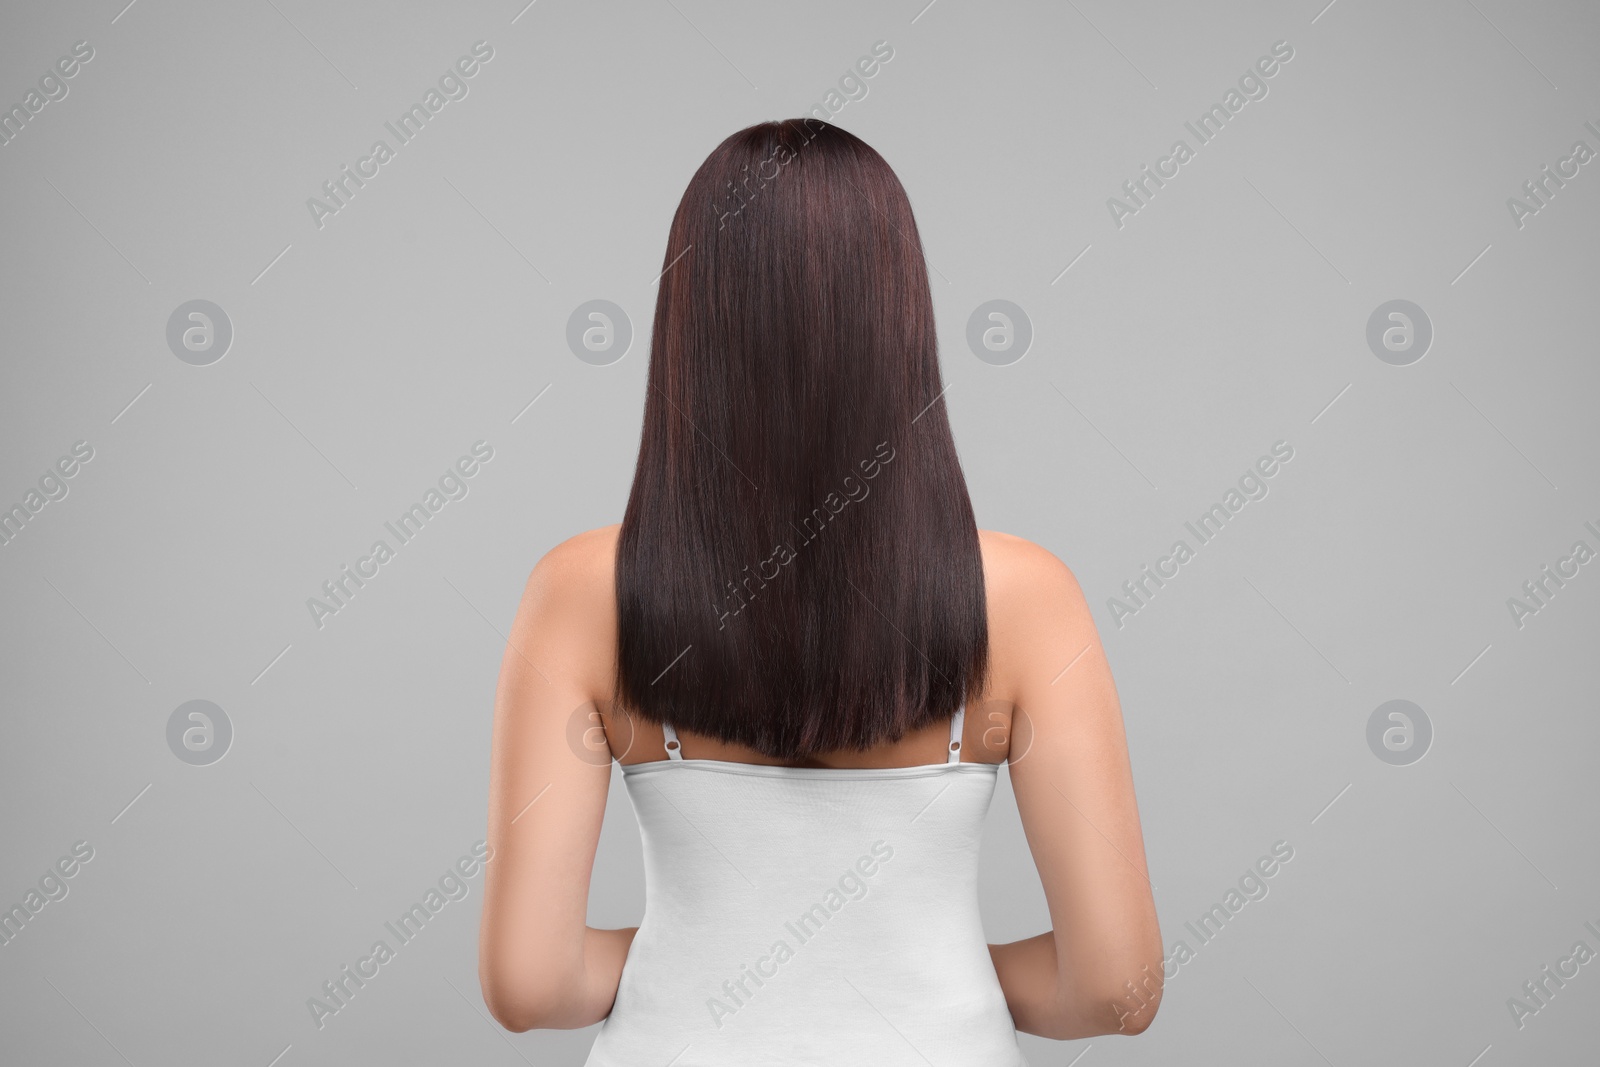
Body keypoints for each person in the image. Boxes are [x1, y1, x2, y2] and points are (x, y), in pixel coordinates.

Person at [477, 119, 1162, 1063]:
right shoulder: (1026, 598)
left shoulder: (580, 592)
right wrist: (926, 966)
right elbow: (1117, 985)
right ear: (900, 323)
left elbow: (529, 983)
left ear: (690, 328)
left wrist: (724, 959)